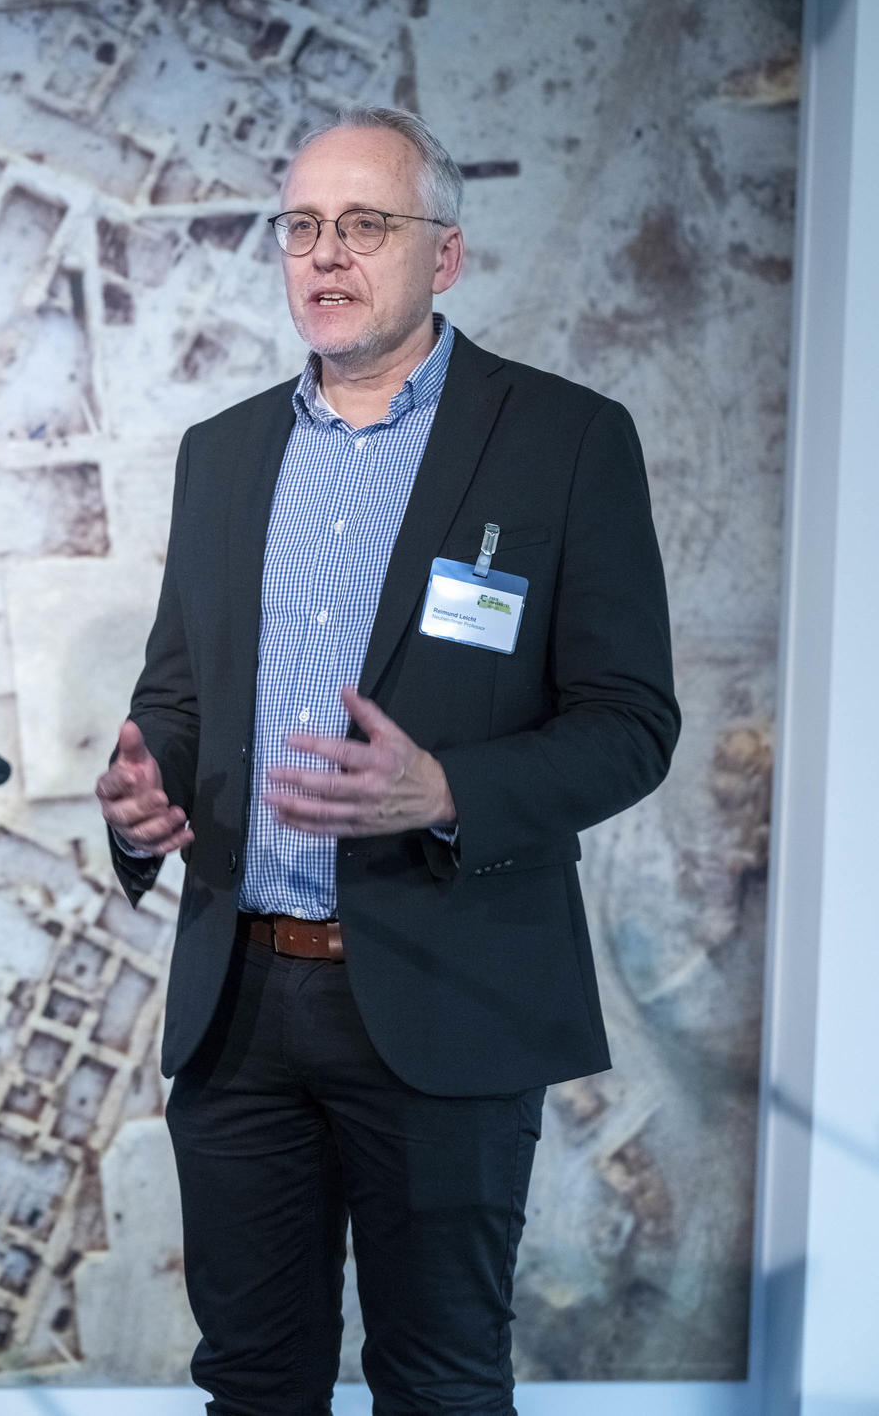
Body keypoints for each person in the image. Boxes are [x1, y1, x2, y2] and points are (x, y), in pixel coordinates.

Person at [95, 105, 679, 1416]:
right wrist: (143, 796)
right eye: (303, 226)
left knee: (440, 1384)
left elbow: (632, 721)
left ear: (445, 256)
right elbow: (178, 696)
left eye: (365, 224)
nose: (327, 253)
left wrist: (451, 790)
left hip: (448, 991)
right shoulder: (221, 453)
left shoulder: (565, 441)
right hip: (241, 1007)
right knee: (252, 1382)